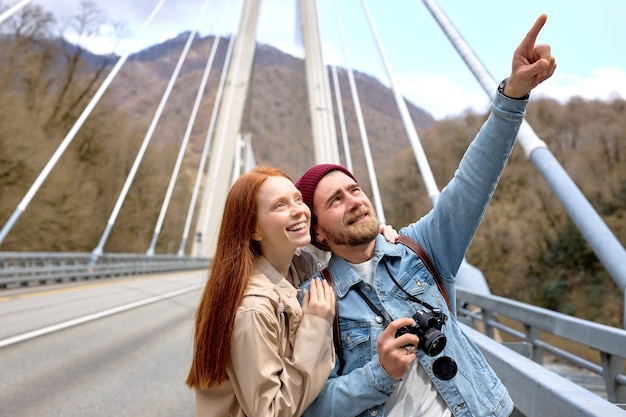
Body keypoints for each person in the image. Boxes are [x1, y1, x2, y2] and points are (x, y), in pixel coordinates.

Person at [294, 14, 556, 417]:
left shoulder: (420, 250)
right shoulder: (314, 302)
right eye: (335, 201)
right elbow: (309, 407)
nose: (353, 200)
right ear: (318, 234)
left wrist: (513, 95)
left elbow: (472, 183)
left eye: (354, 189)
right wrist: (379, 373)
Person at [185, 166, 399, 417]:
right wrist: (316, 327)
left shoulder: (302, 267)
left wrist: (375, 238)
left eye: (297, 199)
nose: (298, 209)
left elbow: (348, 272)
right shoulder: (252, 310)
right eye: (279, 205)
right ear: (254, 229)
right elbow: (271, 412)